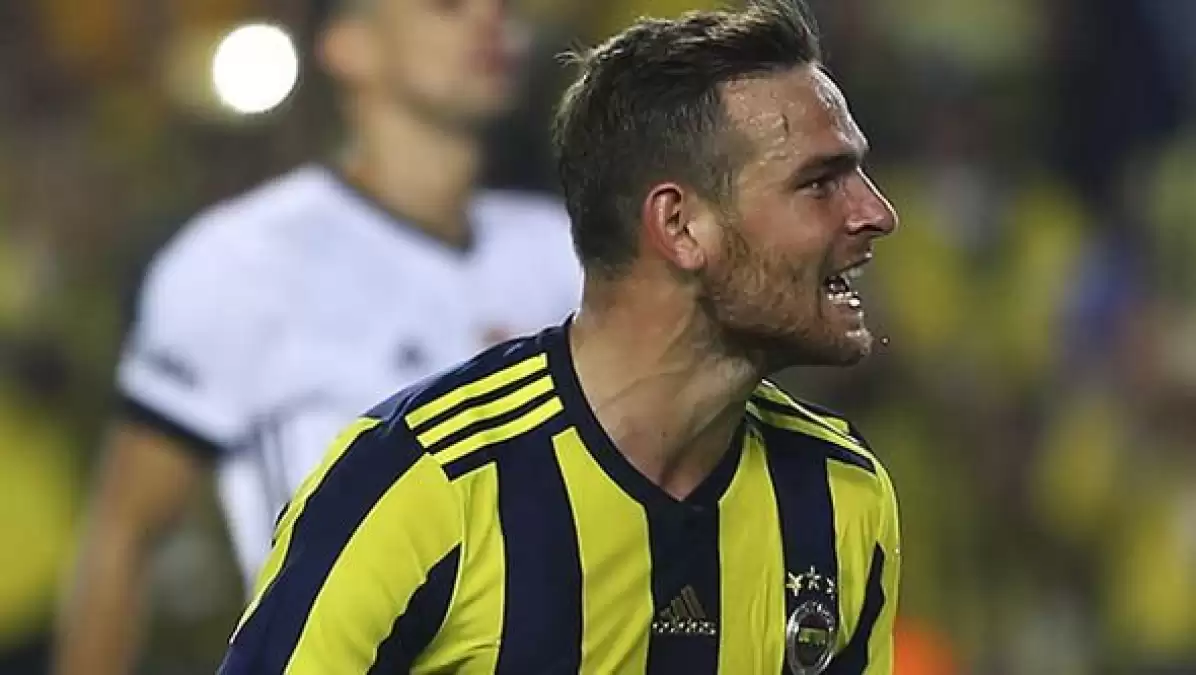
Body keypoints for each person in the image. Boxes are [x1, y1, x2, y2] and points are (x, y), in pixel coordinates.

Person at [220, 1, 901, 673]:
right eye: (820, 182)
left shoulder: (839, 494)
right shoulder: (421, 482)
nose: (876, 213)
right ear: (679, 225)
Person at [52, 1, 580, 674]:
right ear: (348, 44)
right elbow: (125, 534)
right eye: (446, 3)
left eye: (501, 3)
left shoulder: (568, 250)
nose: (488, 17)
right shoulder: (241, 260)